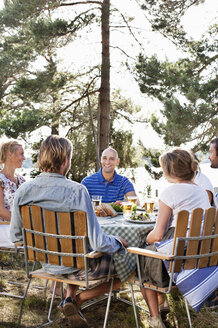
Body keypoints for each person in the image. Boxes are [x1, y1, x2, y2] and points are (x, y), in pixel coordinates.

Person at [10, 135, 128, 328]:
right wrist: (118, 243)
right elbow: (99, 243)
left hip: (46, 263)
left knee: (75, 250)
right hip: (79, 268)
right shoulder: (78, 191)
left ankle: (69, 300)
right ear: (65, 161)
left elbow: (16, 238)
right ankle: (77, 300)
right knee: (127, 265)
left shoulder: (23, 190)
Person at [139, 148, 210, 328]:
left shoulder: (170, 192)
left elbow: (158, 234)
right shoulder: (201, 191)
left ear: (169, 171)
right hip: (196, 259)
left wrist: (147, 239)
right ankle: (162, 303)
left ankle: (155, 319)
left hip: (172, 261)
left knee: (141, 257)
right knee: (149, 252)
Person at [0, 139, 26, 247]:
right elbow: (1, 211)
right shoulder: (1, 179)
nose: (24, 158)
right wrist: (22, 222)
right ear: (9, 154)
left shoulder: (22, 180)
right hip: (4, 228)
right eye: (21, 154)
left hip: (20, 228)